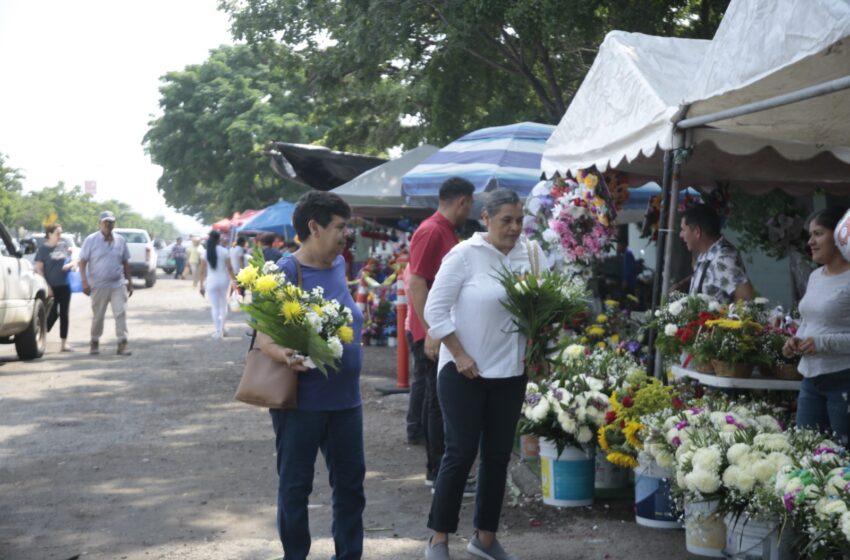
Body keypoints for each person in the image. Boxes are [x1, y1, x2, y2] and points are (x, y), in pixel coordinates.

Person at [423, 188, 544, 560]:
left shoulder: (532, 254)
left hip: (510, 372)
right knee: (460, 454)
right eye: (506, 220)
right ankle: (438, 539)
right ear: (486, 218)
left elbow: (541, 308)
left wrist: (537, 347)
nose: (514, 227)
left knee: (497, 456)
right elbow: (435, 311)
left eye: (519, 220)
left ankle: (485, 539)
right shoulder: (463, 255)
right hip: (464, 373)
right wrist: (458, 354)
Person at [258, 191, 365, 560]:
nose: (345, 234)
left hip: (347, 401)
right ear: (314, 227)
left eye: (347, 226)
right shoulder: (285, 271)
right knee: (295, 488)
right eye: (339, 227)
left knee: (351, 488)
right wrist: (285, 355)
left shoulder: (338, 265)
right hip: (302, 403)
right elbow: (263, 336)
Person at [406, 177, 474, 484]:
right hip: (430, 332)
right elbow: (416, 282)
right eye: (470, 204)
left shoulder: (445, 231)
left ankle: (442, 472)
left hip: (437, 328)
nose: (470, 210)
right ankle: (437, 474)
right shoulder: (432, 230)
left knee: (438, 400)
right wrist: (431, 329)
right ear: (462, 201)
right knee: (437, 401)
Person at [784, 207, 850, 445]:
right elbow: (810, 322)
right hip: (811, 379)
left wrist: (821, 343)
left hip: (843, 381)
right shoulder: (815, 277)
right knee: (805, 450)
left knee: (842, 461)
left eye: (818, 233)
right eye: (810, 234)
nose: (810, 241)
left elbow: (823, 335)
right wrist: (796, 340)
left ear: (840, 236)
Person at [79, 210, 134, 356]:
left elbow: (126, 262)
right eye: (105, 222)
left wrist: (130, 281)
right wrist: (84, 282)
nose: (108, 225)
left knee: (120, 313)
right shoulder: (91, 240)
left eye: (111, 222)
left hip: (117, 284)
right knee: (98, 316)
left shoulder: (120, 240)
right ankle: (94, 341)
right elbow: (82, 262)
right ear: (100, 223)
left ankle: (122, 343)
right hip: (98, 285)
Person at [679, 204, 754, 304]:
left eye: (683, 230)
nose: (681, 235)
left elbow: (746, 296)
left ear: (697, 232)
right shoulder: (706, 254)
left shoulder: (723, 258)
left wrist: (724, 318)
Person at [34, 223, 75, 352]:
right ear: (50, 234)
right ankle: (39, 337)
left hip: (65, 285)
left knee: (64, 314)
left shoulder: (63, 246)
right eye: (57, 233)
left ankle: (64, 343)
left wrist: (70, 265)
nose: (60, 236)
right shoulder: (43, 250)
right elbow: (39, 269)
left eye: (61, 233)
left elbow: (71, 261)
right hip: (50, 287)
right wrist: (47, 286)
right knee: (52, 313)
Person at [198, 230, 236, 339]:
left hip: (211, 280)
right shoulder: (225, 251)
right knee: (223, 305)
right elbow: (229, 268)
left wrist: (201, 285)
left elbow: (201, 271)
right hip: (223, 280)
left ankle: (218, 331)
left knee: (214, 307)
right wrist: (234, 280)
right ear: (219, 239)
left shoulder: (205, 252)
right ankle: (223, 328)